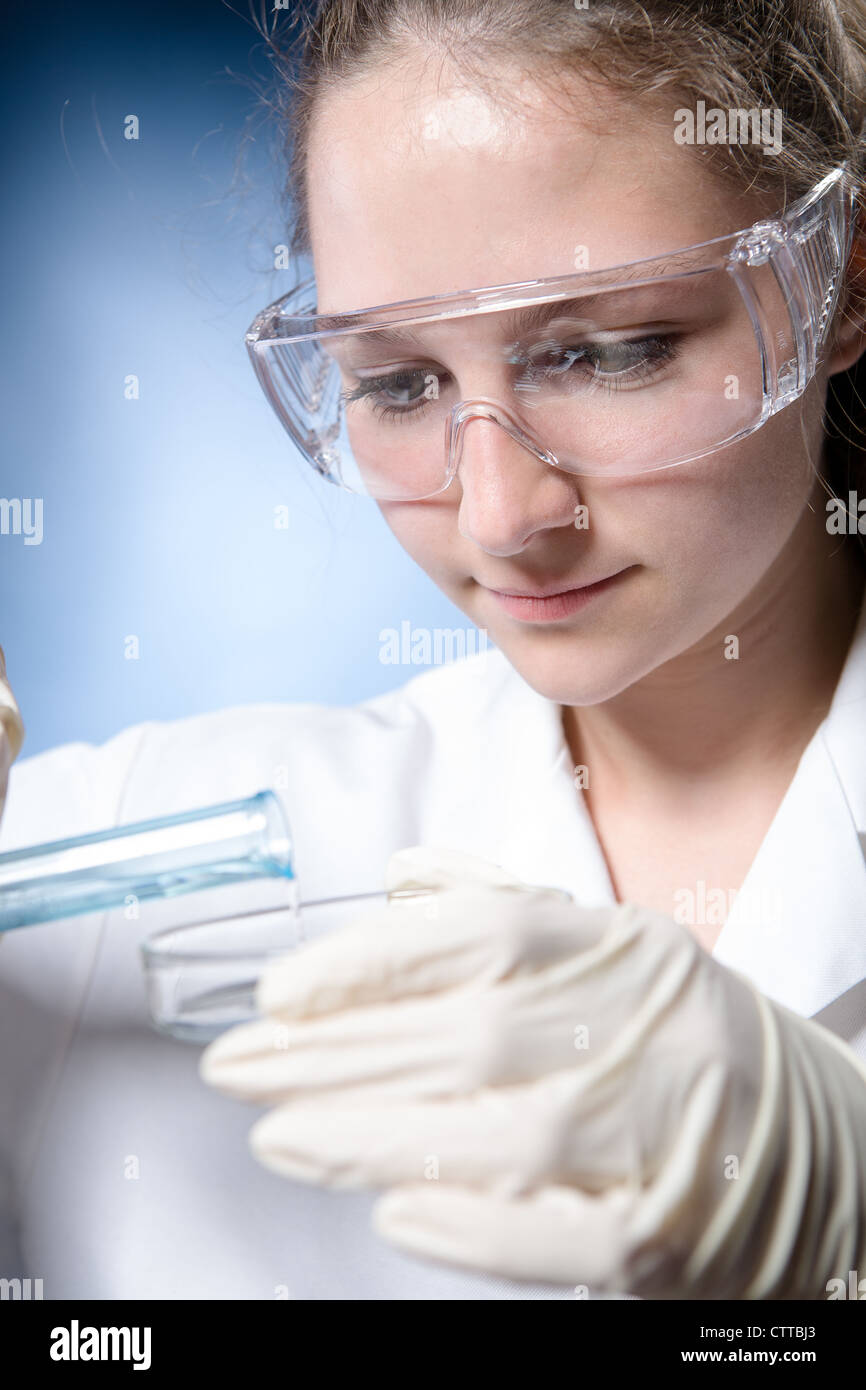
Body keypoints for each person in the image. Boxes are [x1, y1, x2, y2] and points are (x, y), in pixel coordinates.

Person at [2, 0, 866, 1301]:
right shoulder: (133, 851)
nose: (501, 515)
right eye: (395, 384)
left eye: (610, 352)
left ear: (839, 277)